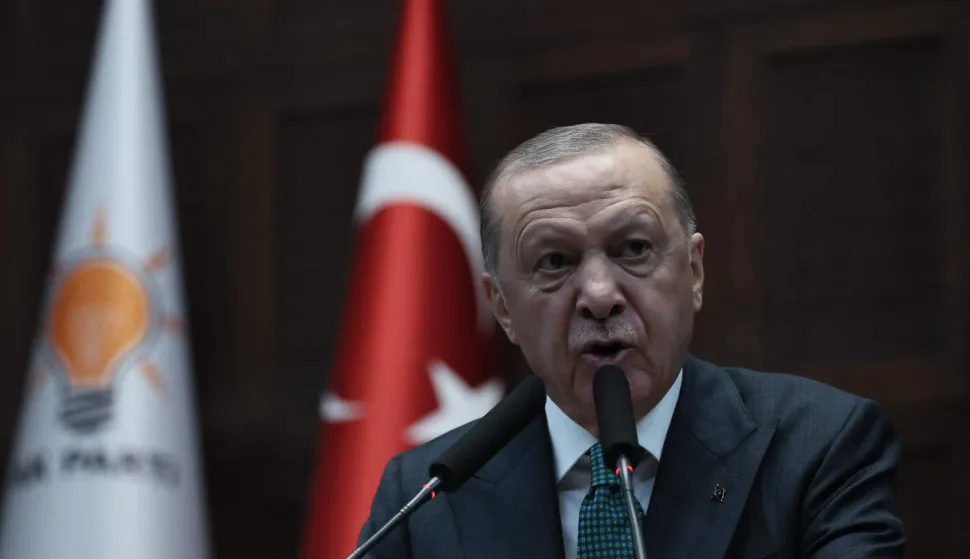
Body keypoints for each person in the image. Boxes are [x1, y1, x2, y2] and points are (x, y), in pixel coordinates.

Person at [356, 123, 905, 558]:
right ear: (502, 307)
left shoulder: (819, 447)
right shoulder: (425, 495)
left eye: (634, 249)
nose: (599, 295)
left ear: (693, 270)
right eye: (554, 262)